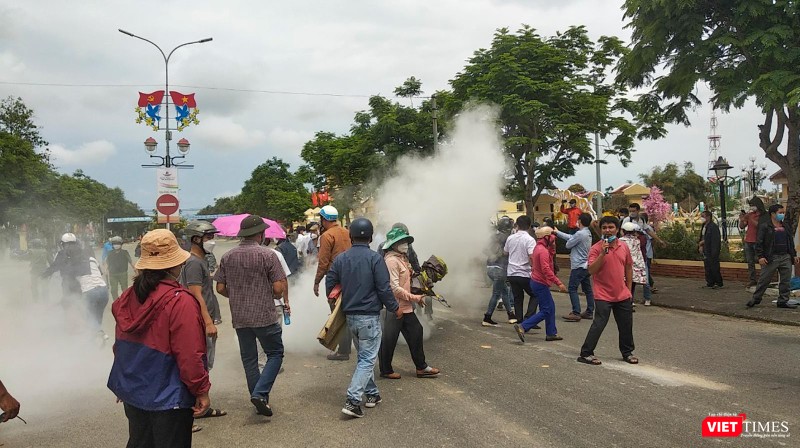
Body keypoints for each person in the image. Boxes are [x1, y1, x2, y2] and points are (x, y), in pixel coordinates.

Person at [107, 229, 210, 448]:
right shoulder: (180, 301)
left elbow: (121, 346)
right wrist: (201, 390)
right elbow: (190, 355)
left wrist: (124, 384)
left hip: (134, 392)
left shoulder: (128, 296)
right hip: (169, 397)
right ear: (174, 264)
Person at [325, 218, 401, 418]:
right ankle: (352, 401)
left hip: (350, 317)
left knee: (364, 357)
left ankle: (372, 394)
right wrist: (395, 308)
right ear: (370, 237)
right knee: (367, 359)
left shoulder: (341, 259)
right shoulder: (375, 259)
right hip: (369, 318)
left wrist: (334, 304)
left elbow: (330, 283)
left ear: (351, 236)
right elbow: (383, 288)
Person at [214, 215, 287, 417]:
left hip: (241, 318)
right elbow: (279, 288)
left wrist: (238, 296)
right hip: (264, 316)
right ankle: (260, 394)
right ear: (260, 234)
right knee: (275, 353)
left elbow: (220, 288)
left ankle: (258, 398)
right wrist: (271, 295)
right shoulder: (268, 255)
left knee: (249, 359)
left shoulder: (227, 257)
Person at [179, 221, 228, 424]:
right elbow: (195, 294)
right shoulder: (193, 263)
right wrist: (208, 322)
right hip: (199, 322)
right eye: (208, 237)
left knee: (204, 366)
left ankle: (200, 406)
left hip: (203, 319)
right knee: (198, 366)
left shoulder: (200, 261)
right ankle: (188, 414)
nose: (212, 241)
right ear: (196, 239)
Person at [379, 227, 440, 380]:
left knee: (416, 332)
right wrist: (414, 297)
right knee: (389, 340)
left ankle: (421, 367)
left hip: (405, 306)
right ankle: (386, 370)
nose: (405, 244)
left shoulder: (401, 259)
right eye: (401, 241)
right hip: (395, 307)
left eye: (406, 241)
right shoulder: (391, 261)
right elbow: (394, 288)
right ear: (394, 244)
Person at [577, 216, 638, 366]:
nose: (607, 230)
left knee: (626, 324)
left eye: (611, 227)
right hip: (603, 294)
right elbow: (591, 270)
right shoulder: (596, 248)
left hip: (622, 294)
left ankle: (627, 352)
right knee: (599, 324)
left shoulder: (623, 246)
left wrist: (629, 289)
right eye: (604, 228)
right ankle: (586, 353)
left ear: (617, 230)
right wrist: (602, 254)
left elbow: (628, 267)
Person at [313, 205, 354, 361]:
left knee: (337, 313)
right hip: (350, 277)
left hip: (335, 277)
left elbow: (323, 262)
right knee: (347, 311)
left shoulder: (327, 235)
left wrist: (317, 281)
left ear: (324, 219)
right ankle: (346, 347)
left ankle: (343, 351)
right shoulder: (347, 232)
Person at [514, 227, 566, 343]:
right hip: (540, 283)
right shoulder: (543, 251)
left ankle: (551, 333)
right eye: (552, 238)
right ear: (546, 237)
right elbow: (546, 269)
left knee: (550, 307)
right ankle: (523, 326)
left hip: (537, 282)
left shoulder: (539, 248)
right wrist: (559, 283)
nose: (553, 240)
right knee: (547, 310)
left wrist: (552, 248)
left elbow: (548, 258)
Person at [747, 204, 799, 309]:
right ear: (773, 214)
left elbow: (790, 241)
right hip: (771, 257)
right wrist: (760, 256)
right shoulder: (765, 226)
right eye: (780, 213)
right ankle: (756, 298)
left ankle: (783, 300)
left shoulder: (785, 226)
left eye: (783, 213)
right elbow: (759, 242)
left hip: (785, 256)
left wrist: (793, 255)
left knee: (785, 281)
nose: (782, 215)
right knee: (764, 280)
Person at [554, 213, 595, 321]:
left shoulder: (580, 233)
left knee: (572, 288)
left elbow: (568, 244)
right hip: (585, 265)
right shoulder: (587, 232)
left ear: (580, 221)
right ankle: (589, 311)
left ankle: (576, 312)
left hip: (578, 265)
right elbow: (571, 237)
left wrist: (558, 234)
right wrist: (558, 232)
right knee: (587, 289)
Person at [504, 215, 539, 325]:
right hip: (525, 272)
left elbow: (505, 252)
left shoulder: (510, 238)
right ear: (529, 226)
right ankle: (529, 318)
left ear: (517, 226)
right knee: (535, 294)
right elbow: (532, 256)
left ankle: (519, 319)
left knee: (517, 297)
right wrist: (534, 269)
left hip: (512, 272)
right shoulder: (530, 240)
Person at [483, 216, 516, 326]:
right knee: (496, 294)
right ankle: (487, 317)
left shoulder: (493, 236)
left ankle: (511, 315)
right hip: (500, 268)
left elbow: (484, 250)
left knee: (504, 291)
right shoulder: (507, 238)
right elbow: (508, 253)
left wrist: (493, 255)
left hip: (489, 267)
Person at [41, 233, 90, 305]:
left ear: (64, 244)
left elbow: (55, 266)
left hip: (68, 282)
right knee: (80, 302)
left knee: (68, 303)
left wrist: (44, 275)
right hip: (84, 282)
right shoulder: (82, 252)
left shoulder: (62, 253)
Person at [79, 246, 110, 344]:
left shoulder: (77, 262)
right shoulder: (93, 259)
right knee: (98, 315)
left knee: (89, 315)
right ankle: (96, 336)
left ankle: (99, 333)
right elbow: (100, 273)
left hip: (90, 291)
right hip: (103, 290)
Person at [739, 197, 767, 287]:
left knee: (761, 261)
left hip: (758, 241)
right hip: (748, 240)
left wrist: (750, 219)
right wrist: (742, 219)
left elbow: (760, 226)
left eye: (752, 205)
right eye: (750, 205)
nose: (751, 207)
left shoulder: (764, 215)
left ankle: (763, 280)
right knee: (750, 262)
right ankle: (752, 279)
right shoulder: (750, 214)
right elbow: (742, 226)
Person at [620, 222, 650, 306]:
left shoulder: (621, 241)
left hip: (624, 266)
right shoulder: (637, 241)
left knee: (623, 285)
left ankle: (625, 302)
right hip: (635, 267)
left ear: (623, 231)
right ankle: (630, 301)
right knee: (632, 285)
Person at [698, 211, 723, 290]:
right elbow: (702, 237)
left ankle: (718, 282)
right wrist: (700, 246)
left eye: (703, 216)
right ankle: (710, 282)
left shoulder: (713, 227)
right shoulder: (704, 226)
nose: (702, 218)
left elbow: (714, 239)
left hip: (712, 249)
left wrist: (705, 242)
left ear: (708, 217)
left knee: (714, 266)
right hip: (705, 249)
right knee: (707, 267)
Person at [105, 236, 135, 301]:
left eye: (118, 243)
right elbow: (107, 263)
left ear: (121, 244)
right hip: (112, 274)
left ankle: (125, 301)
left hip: (123, 273)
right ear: (112, 245)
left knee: (124, 289)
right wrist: (106, 270)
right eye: (114, 243)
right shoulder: (110, 253)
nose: (116, 245)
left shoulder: (125, 252)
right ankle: (116, 302)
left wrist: (135, 269)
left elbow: (131, 261)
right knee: (113, 290)